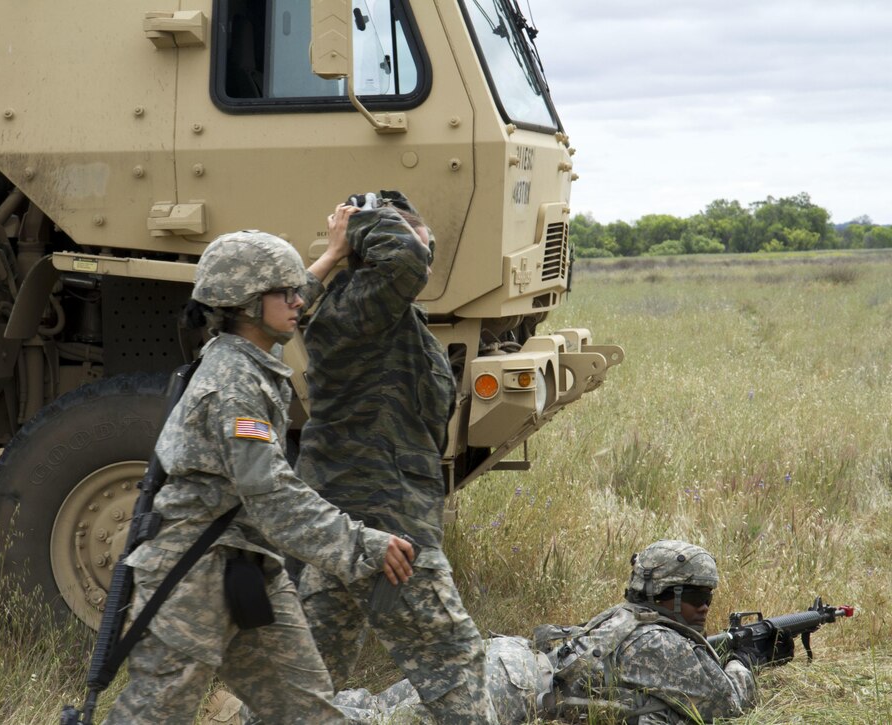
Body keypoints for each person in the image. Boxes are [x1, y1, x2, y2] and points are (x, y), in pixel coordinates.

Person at [102, 231, 417, 725]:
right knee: (157, 715)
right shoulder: (231, 385)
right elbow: (273, 497)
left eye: (297, 291)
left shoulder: (243, 350)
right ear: (245, 304)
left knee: (310, 712)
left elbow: (286, 300)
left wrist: (331, 255)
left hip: (245, 568)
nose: (298, 303)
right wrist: (364, 546)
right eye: (284, 294)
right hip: (190, 574)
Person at [293, 192, 498, 723]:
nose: (424, 258)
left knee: (305, 686)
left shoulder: (376, 314)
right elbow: (407, 255)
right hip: (388, 532)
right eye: (417, 245)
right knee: (454, 663)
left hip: (343, 527)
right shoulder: (361, 311)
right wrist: (355, 226)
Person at [324, 540, 758, 724]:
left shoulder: (624, 617)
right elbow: (728, 703)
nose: (704, 606)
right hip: (508, 688)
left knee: (369, 708)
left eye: (709, 596)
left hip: (503, 659)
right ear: (665, 592)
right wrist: (746, 658)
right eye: (695, 594)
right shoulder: (661, 643)